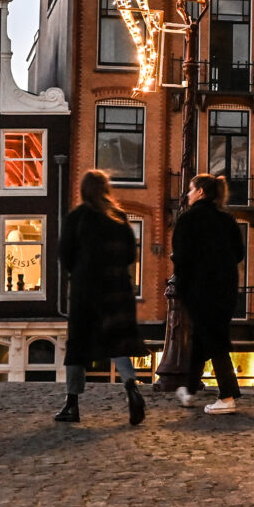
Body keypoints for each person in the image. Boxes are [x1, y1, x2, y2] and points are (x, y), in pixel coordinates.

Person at [57, 170, 150, 425]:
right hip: (117, 291)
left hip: (86, 291)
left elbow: (65, 255)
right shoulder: (119, 218)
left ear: (83, 191)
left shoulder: (76, 218)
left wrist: (79, 272)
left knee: (77, 347)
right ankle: (131, 388)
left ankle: (72, 404)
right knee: (118, 343)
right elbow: (132, 255)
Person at [172, 174, 247, 414]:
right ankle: (191, 390)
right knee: (203, 338)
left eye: (191, 189)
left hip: (200, 289)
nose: (187, 194)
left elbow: (181, 258)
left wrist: (183, 288)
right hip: (225, 290)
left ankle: (227, 396)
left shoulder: (188, 220)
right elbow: (239, 253)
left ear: (201, 192)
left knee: (214, 341)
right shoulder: (227, 220)